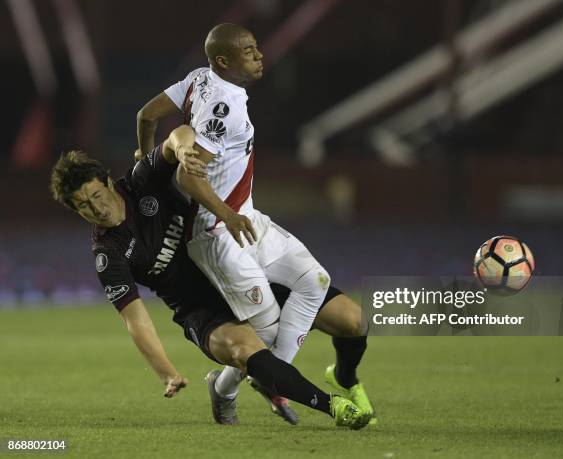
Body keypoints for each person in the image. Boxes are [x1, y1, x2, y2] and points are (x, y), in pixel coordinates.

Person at [49, 125, 371, 430]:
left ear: (106, 180)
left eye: (96, 195)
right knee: (247, 351)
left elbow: (178, 135)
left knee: (354, 321)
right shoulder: (108, 254)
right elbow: (136, 320)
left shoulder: (140, 182)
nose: (97, 208)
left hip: (236, 269)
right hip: (200, 309)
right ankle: (334, 407)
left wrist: (184, 148)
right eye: (83, 207)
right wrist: (166, 372)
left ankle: (338, 377)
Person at [136, 23, 377, 425]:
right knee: (262, 338)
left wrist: (146, 163)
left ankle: (269, 381)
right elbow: (190, 176)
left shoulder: (200, 79)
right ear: (224, 61)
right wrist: (226, 214)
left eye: (256, 47)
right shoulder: (222, 108)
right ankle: (225, 387)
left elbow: (146, 115)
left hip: (247, 219)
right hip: (217, 234)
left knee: (314, 281)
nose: (259, 54)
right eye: (249, 51)